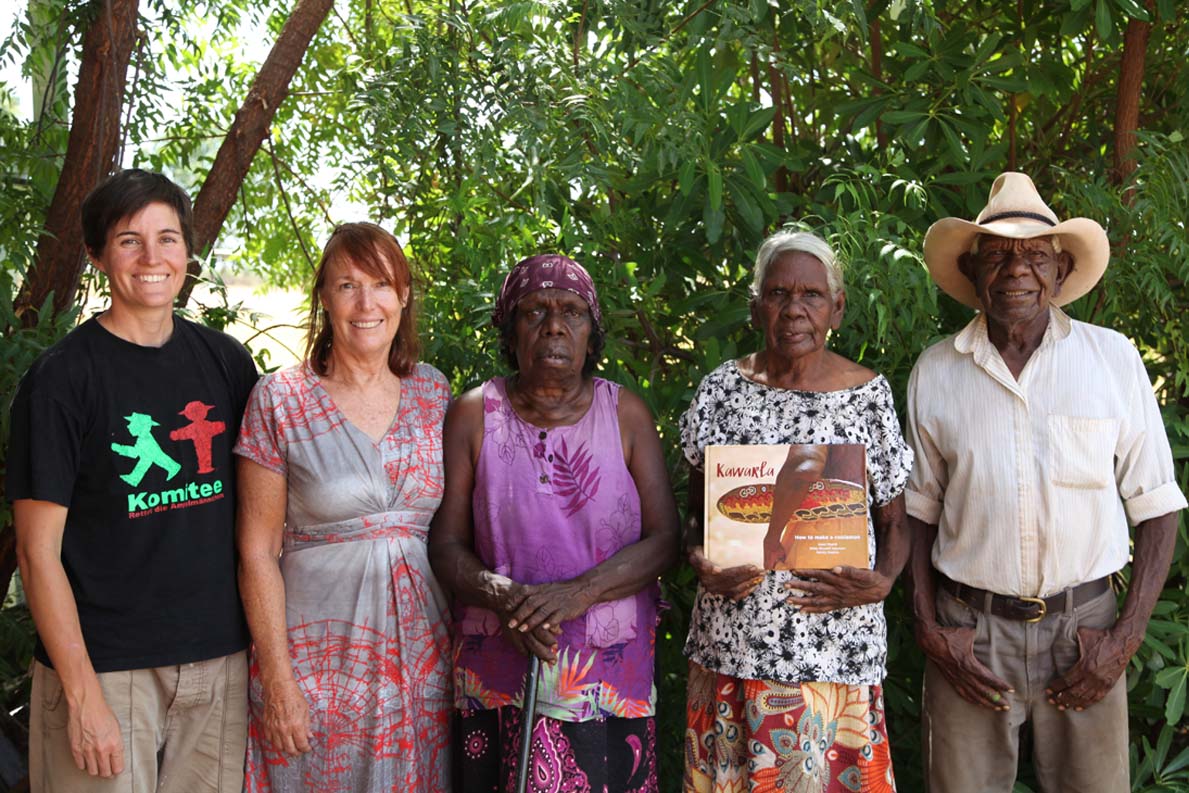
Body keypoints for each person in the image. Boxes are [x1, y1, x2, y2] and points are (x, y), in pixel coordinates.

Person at [906, 172, 1187, 793]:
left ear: (1060, 272)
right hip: (969, 637)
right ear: (975, 271)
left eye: (1034, 255)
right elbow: (918, 511)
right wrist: (929, 628)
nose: (1016, 271)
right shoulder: (935, 370)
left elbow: (1159, 507)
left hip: (1085, 630)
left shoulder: (1112, 359)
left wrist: (1124, 638)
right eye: (998, 255)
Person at [8, 169, 257, 792]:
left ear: (188, 253)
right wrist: (83, 696)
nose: (153, 258)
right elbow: (37, 555)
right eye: (129, 240)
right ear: (96, 255)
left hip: (217, 665)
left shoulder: (225, 363)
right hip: (106, 670)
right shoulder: (62, 380)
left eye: (168, 238)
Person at [429, 253, 679, 793]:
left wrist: (576, 595)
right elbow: (445, 544)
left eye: (572, 312)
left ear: (593, 333)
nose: (555, 327)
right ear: (509, 330)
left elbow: (666, 540)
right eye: (534, 312)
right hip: (499, 669)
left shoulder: (626, 414)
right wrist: (505, 598)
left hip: (605, 677)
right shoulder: (474, 414)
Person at [680, 230, 912, 793]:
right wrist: (698, 560)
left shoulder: (868, 395)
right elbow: (692, 513)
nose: (794, 309)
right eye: (779, 293)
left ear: (837, 307)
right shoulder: (721, 392)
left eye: (810, 295)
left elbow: (897, 523)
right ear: (757, 304)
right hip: (732, 651)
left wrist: (883, 582)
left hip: (835, 658)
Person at [235, 223, 452, 791]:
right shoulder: (280, 398)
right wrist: (279, 683)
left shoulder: (434, 392)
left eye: (381, 284)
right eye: (347, 285)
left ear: (403, 295)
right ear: (324, 298)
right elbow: (257, 551)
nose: (366, 303)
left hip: (423, 661)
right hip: (318, 668)